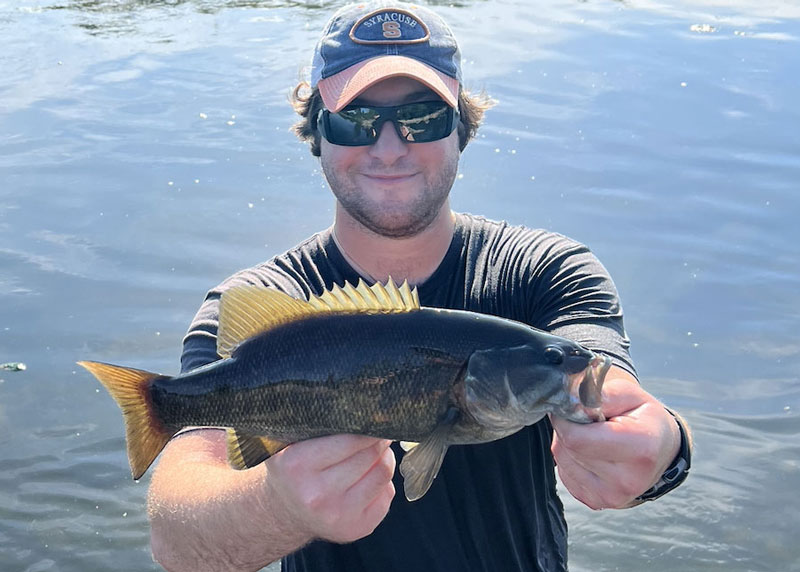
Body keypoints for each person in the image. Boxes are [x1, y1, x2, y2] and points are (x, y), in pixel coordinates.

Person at [147, 2, 692, 571]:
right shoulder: (259, 299)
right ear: (317, 132)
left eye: (423, 118)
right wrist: (276, 506)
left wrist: (663, 446)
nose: (389, 147)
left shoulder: (548, 272)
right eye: (355, 119)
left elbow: (610, 386)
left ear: (462, 128)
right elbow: (176, 544)